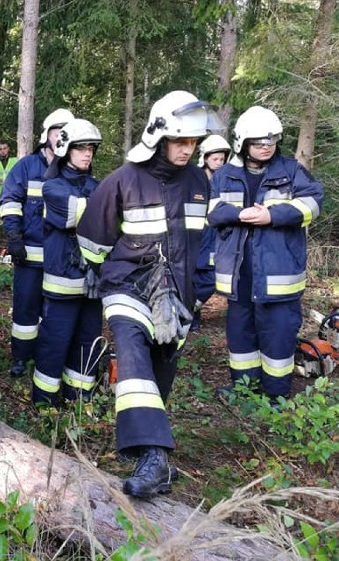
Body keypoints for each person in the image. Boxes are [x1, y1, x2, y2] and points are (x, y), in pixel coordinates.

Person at [77, 90, 223, 498]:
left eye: (193, 142)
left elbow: (202, 244)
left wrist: (196, 292)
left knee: (161, 368)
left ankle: (143, 445)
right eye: (180, 141)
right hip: (128, 286)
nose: (187, 149)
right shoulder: (121, 180)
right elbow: (92, 244)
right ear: (158, 136)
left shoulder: (198, 181)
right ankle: (156, 457)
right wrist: (112, 274)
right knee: (134, 354)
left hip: (177, 294)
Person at [208, 106, 322, 404]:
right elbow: (211, 211)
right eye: (259, 142)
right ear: (243, 143)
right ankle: (244, 388)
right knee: (241, 334)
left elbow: (312, 204)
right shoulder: (224, 175)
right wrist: (239, 213)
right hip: (239, 272)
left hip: (278, 274)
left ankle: (275, 394)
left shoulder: (291, 170)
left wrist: (273, 216)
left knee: (278, 334)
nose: (266, 147)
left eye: (271, 141)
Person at [34, 119, 103, 410]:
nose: (87, 154)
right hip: (63, 280)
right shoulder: (52, 187)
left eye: (91, 148)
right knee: (55, 341)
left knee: (88, 340)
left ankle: (80, 398)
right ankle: (45, 401)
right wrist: (108, 207)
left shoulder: (97, 185)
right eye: (81, 148)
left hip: (93, 282)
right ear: (65, 150)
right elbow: (84, 214)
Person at [0, 108, 73, 378]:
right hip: (29, 255)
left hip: (61, 258)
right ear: (46, 136)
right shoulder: (26, 167)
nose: (61, 138)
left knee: (54, 310)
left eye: (66, 133)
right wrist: (14, 237)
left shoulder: (71, 169)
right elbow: (9, 202)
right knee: (25, 308)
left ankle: (48, 355)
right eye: (57, 133)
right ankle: (21, 356)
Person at [191, 134, 232, 331]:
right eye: (215, 159)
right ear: (205, 158)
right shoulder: (193, 179)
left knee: (211, 276)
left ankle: (190, 307)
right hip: (194, 234)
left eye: (222, 159)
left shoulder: (226, 181)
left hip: (216, 235)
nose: (218, 163)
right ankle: (192, 318)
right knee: (191, 276)